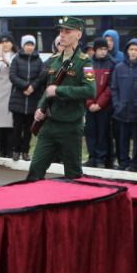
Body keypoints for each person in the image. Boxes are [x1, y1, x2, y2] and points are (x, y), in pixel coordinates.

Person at [26, 17, 94, 181]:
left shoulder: (85, 62)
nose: (62, 35)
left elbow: (90, 90)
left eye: (67, 31)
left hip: (70, 126)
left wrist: (60, 91)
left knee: (73, 174)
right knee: (35, 169)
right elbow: (47, 88)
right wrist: (40, 108)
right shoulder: (54, 61)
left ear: (78, 34)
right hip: (49, 125)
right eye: (61, 31)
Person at [8, 34, 45, 163]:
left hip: (32, 99)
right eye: (27, 44)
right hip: (18, 98)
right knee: (17, 127)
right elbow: (12, 75)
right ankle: (16, 150)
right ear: (23, 46)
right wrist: (24, 86)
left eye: (31, 45)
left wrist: (33, 87)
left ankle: (25, 151)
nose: (29, 47)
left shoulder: (38, 60)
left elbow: (41, 77)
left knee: (29, 128)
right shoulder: (16, 59)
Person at [112, 38, 137, 171]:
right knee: (122, 139)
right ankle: (123, 162)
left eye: (136, 50)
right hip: (121, 110)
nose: (133, 52)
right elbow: (114, 88)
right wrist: (117, 104)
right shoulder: (119, 67)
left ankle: (135, 163)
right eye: (131, 49)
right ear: (126, 51)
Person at [84, 38, 115, 168]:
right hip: (90, 106)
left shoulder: (112, 64)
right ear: (94, 50)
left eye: (105, 49)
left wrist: (100, 104)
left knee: (103, 132)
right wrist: (90, 103)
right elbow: (87, 84)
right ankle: (92, 157)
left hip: (104, 106)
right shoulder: (89, 64)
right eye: (100, 49)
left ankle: (101, 158)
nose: (103, 52)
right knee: (91, 132)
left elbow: (110, 87)